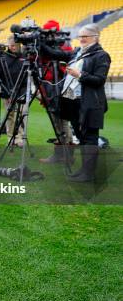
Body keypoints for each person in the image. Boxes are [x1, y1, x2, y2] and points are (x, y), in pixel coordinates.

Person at [39, 24, 110, 182]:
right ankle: (84, 170)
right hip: (73, 103)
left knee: (89, 139)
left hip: (90, 104)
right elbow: (55, 54)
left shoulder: (101, 55)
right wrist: (39, 41)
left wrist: (80, 75)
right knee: (81, 137)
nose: (82, 39)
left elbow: (99, 80)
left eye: (85, 36)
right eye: (80, 36)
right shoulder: (78, 52)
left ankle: (88, 174)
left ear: (95, 37)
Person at [38, 19, 74, 163]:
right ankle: (62, 153)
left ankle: (66, 154)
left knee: (63, 120)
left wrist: (47, 49)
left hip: (62, 86)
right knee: (56, 120)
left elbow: (61, 58)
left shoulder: (64, 45)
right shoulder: (45, 45)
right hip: (48, 86)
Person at [0, 36, 25, 147]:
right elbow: (2, 75)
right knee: (9, 115)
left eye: (15, 45)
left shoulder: (24, 57)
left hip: (21, 90)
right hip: (7, 90)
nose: (13, 47)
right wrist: (7, 91)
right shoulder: (4, 57)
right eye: (11, 45)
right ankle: (11, 138)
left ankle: (19, 137)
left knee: (20, 114)